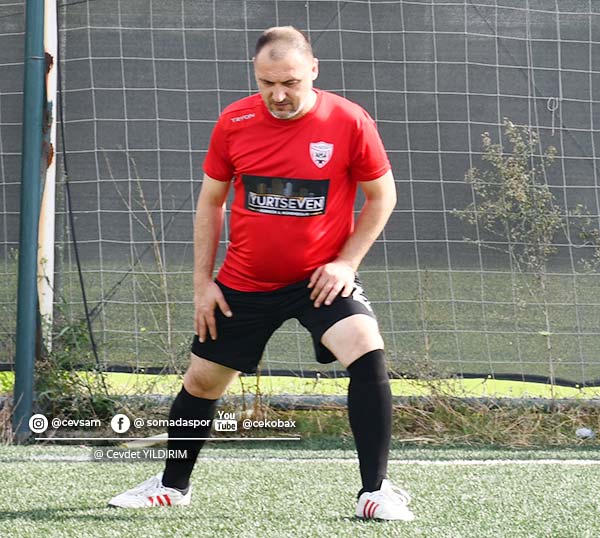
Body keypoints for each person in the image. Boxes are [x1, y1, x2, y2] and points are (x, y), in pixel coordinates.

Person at [108, 26, 414, 522]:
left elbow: (383, 197)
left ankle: (374, 492)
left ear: (313, 70)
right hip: (246, 281)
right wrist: (203, 284)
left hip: (319, 281)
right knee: (203, 382)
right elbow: (211, 203)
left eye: (290, 82)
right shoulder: (235, 121)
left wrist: (345, 263)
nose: (278, 95)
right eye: (267, 83)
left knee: (365, 346)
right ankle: (171, 486)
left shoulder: (349, 121)